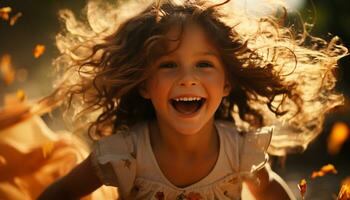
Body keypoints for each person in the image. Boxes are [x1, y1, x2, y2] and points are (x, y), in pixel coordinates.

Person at [38, 0, 347, 199]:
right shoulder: (124, 154)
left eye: (204, 64)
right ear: (144, 85)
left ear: (226, 83)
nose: (188, 78)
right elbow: (63, 192)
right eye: (169, 65)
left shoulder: (239, 153)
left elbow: (271, 191)